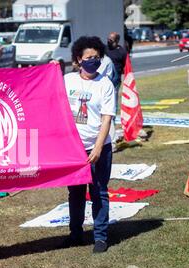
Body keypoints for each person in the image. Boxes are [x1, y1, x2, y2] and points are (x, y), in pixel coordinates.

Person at [53, 36, 116, 253]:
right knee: (76, 193)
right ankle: (76, 234)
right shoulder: (68, 80)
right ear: (78, 59)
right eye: (88, 57)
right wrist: (52, 70)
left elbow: (107, 118)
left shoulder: (105, 84)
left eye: (97, 57)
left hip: (99, 147)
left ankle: (100, 237)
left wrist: (98, 147)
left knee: (99, 192)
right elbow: (49, 94)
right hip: (74, 150)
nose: (93, 60)